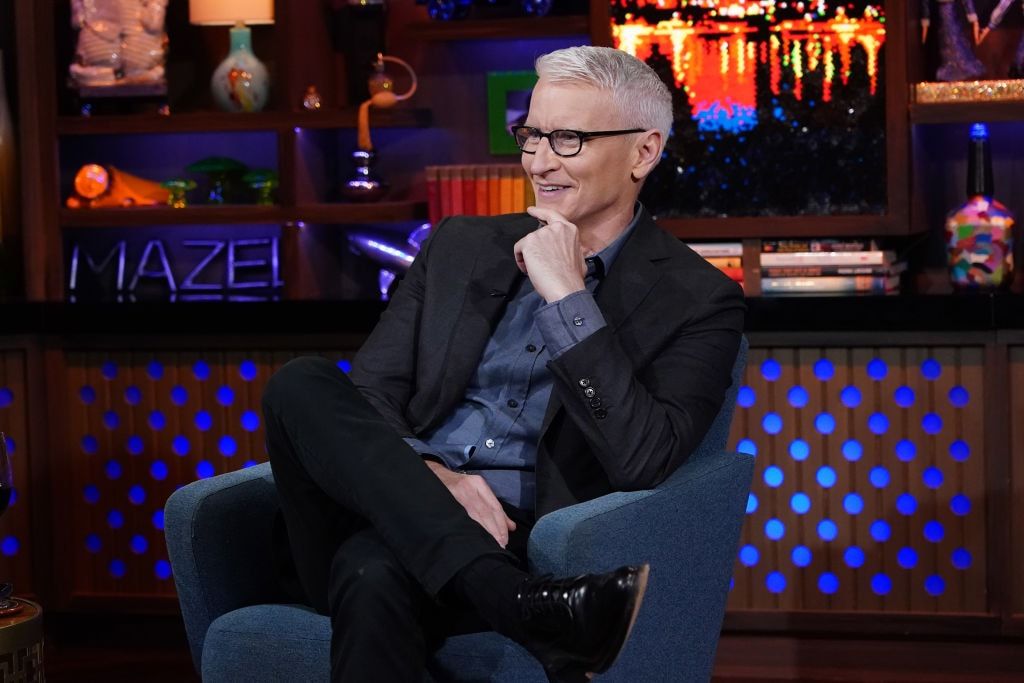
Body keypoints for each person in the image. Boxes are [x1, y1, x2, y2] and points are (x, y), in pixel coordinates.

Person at [262, 45, 745, 682]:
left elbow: (644, 458)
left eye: (569, 139)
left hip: (523, 538)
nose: (539, 162)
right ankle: (525, 608)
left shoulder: (698, 298)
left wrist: (568, 298)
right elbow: (372, 396)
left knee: (371, 571)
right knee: (301, 383)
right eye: (532, 135)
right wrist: (434, 477)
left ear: (644, 152)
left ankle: (501, 589)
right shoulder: (459, 245)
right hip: (386, 504)